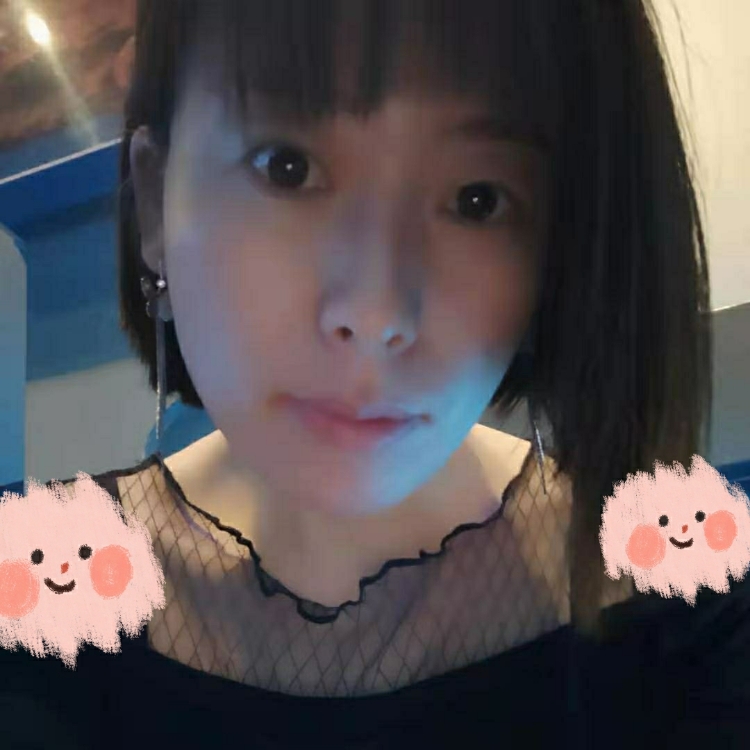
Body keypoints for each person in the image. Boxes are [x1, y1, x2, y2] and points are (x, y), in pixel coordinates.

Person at [2, 1, 748, 748]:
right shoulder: (34, 582)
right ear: (157, 204)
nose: (376, 310)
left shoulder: (690, 584)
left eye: (478, 200)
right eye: (286, 166)